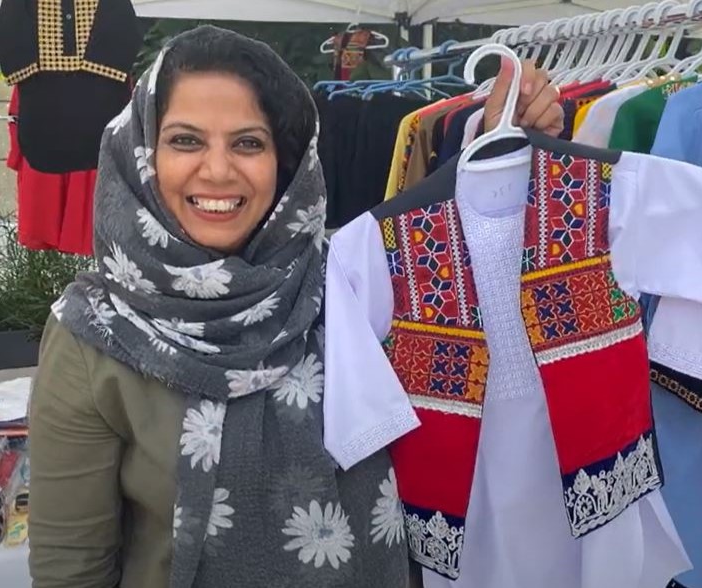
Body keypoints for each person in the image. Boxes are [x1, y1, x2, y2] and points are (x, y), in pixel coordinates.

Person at [28, 25, 564, 588]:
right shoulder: (96, 332)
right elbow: (72, 570)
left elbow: (480, 273)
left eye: (248, 143)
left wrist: (504, 139)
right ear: (141, 152)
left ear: (287, 162)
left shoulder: (353, 284)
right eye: (185, 140)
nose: (217, 171)